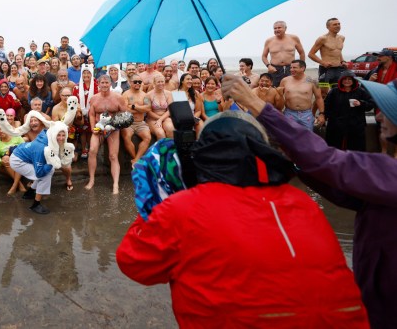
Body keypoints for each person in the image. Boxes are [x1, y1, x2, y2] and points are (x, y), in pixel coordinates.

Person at [116, 110, 368, 328]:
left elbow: (135, 264)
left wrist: (155, 199)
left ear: (201, 156)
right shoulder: (302, 202)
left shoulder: (183, 208)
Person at [222, 74, 397, 329]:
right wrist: (291, 163)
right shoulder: (385, 181)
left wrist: (256, 104)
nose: (379, 117)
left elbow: (326, 159)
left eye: (389, 111)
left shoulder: (390, 173)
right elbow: (344, 191)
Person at [9, 122, 69, 214]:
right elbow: (39, 173)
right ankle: (36, 205)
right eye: (58, 135)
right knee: (44, 175)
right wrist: (51, 163)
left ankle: (29, 193)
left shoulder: (49, 135)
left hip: (24, 155)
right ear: (53, 134)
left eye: (63, 135)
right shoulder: (42, 148)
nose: (61, 138)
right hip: (17, 160)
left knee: (50, 170)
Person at [85, 75, 126, 194]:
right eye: (102, 83)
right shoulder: (94, 98)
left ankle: (115, 184)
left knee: (113, 156)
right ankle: (91, 180)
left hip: (113, 129)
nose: (104, 85)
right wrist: (93, 128)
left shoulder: (118, 98)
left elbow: (125, 114)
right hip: (98, 128)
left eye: (106, 83)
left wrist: (115, 125)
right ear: (98, 84)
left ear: (110, 84)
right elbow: (92, 114)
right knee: (92, 151)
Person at [324, 71, 373, 151]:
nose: (347, 81)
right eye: (344, 79)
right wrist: (326, 116)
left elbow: (371, 104)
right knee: (334, 146)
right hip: (336, 124)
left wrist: (361, 103)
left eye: (349, 79)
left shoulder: (361, 91)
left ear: (354, 81)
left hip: (356, 124)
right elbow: (326, 105)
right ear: (340, 80)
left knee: (356, 147)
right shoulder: (334, 92)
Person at [279, 60, 325, 130]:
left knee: (307, 137)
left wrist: (321, 114)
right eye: (291, 67)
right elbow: (279, 97)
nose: (291, 70)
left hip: (306, 115)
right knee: (289, 138)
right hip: (289, 113)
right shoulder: (285, 80)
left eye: (294, 68)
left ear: (302, 68)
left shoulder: (312, 81)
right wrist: (279, 111)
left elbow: (319, 98)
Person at [261, 20, 306, 86]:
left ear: (285, 28)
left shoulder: (294, 38)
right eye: (275, 28)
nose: (277, 30)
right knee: (274, 88)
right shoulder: (269, 41)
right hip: (275, 69)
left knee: (291, 87)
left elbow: (301, 53)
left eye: (279, 28)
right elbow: (264, 56)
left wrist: (302, 67)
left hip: (291, 68)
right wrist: (269, 66)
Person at [121, 74, 152, 166]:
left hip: (140, 123)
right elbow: (126, 109)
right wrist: (141, 108)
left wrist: (134, 106)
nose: (137, 83)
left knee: (147, 137)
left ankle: (136, 160)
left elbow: (148, 109)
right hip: (128, 123)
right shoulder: (126, 94)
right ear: (130, 83)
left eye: (139, 82)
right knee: (126, 137)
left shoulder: (144, 95)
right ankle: (136, 159)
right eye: (135, 82)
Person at [308, 18, 347, 84]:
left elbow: (338, 51)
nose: (338, 26)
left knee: (336, 90)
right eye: (335, 24)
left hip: (338, 68)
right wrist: (323, 63)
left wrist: (342, 61)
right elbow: (311, 54)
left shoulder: (342, 38)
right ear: (328, 27)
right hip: (326, 69)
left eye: (339, 24)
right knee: (324, 92)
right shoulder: (323, 39)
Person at [0, 126, 26, 195]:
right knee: (5, 158)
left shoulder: (17, 137)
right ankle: (19, 184)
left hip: (20, 162)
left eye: (3, 128)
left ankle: (14, 186)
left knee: (15, 158)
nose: (1, 131)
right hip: (7, 165)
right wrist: (1, 162)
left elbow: (25, 148)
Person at [146, 73, 174, 139]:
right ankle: (162, 149)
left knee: (171, 129)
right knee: (160, 133)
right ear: (154, 83)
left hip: (165, 117)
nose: (161, 83)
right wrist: (159, 119)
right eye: (158, 82)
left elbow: (170, 109)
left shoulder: (169, 93)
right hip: (152, 119)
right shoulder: (148, 95)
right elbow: (148, 111)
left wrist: (161, 119)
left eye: (162, 81)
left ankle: (171, 148)